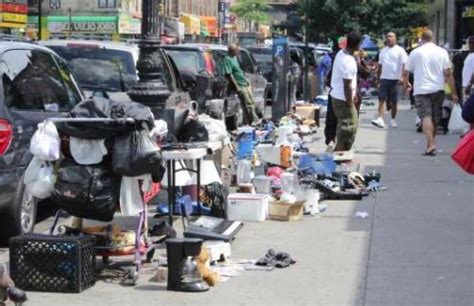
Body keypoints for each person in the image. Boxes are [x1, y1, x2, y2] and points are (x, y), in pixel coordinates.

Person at [403, 30, 459, 156]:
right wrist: (454, 93)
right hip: (438, 89)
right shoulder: (442, 52)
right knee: (435, 116)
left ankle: (431, 143)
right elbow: (448, 74)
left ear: (422, 39)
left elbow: (406, 72)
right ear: (433, 38)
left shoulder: (416, 52)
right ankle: (430, 144)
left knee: (425, 116)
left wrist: (407, 84)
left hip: (421, 89)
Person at [330, 32, 363, 152]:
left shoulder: (341, 53)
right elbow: (347, 84)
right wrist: (349, 101)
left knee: (347, 125)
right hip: (343, 99)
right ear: (358, 44)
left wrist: (353, 95)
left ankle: (340, 151)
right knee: (348, 127)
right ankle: (340, 153)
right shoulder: (348, 61)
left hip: (340, 96)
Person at [372, 32, 408, 128]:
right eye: (387, 36)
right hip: (384, 79)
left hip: (395, 79)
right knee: (381, 99)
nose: (388, 38)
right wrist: (378, 79)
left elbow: (405, 64)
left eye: (391, 36)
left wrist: (402, 77)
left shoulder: (400, 50)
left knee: (394, 102)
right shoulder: (383, 51)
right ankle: (380, 118)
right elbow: (380, 66)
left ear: (395, 39)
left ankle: (393, 120)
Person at [222, 44, 258, 125]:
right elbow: (229, 74)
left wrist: (245, 80)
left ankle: (248, 122)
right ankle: (253, 121)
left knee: (251, 102)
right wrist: (237, 86)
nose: (238, 52)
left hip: (243, 83)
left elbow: (238, 71)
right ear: (232, 51)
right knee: (248, 103)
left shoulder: (234, 58)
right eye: (236, 50)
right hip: (239, 85)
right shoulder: (227, 59)